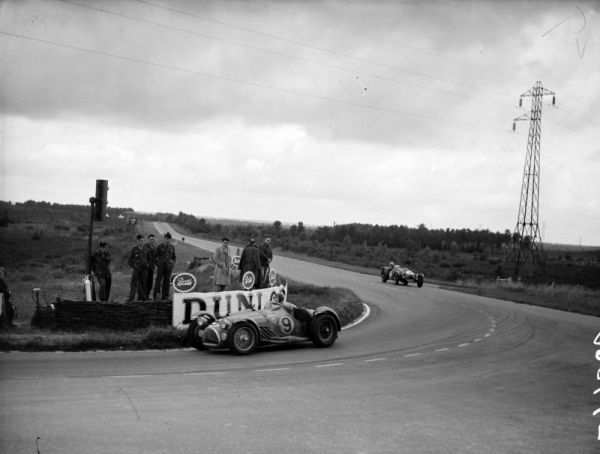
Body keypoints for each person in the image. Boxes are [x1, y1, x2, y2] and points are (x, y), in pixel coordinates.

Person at [153, 232, 176, 300]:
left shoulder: (172, 247)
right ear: (164, 239)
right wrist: (158, 264)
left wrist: (172, 264)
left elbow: (174, 257)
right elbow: (154, 257)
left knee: (167, 281)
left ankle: (165, 296)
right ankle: (156, 294)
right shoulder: (160, 246)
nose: (167, 240)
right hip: (161, 266)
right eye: (166, 238)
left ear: (170, 239)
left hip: (168, 267)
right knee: (158, 280)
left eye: (169, 239)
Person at [127, 234, 149, 302]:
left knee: (143, 283)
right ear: (137, 241)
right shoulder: (134, 249)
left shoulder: (146, 249)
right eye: (139, 240)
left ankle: (143, 298)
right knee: (134, 283)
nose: (141, 242)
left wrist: (147, 265)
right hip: (136, 269)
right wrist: (134, 266)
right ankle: (131, 298)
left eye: (142, 240)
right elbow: (129, 261)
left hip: (144, 269)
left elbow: (149, 259)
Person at [143, 234, 156, 298]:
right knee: (144, 283)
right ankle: (143, 296)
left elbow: (155, 258)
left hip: (151, 268)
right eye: (151, 239)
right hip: (145, 268)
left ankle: (147, 295)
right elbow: (144, 258)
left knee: (150, 283)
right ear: (148, 239)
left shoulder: (154, 247)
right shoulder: (145, 246)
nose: (152, 241)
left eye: (153, 239)